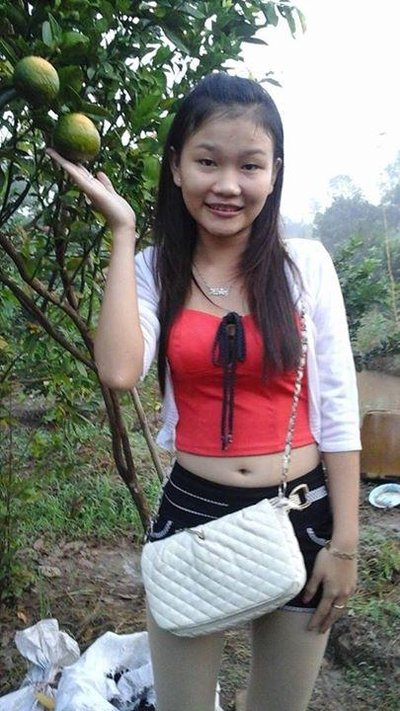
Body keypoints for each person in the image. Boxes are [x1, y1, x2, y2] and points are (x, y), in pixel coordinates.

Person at [47, 72, 361, 711]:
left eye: (250, 165)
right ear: (176, 167)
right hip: (193, 513)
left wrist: (346, 545)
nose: (228, 185)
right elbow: (119, 370)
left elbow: (339, 409)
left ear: (274, 174)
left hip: (303, 511)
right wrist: (122, 231)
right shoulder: (154, 269)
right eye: (207, 161)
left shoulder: (305, 266)